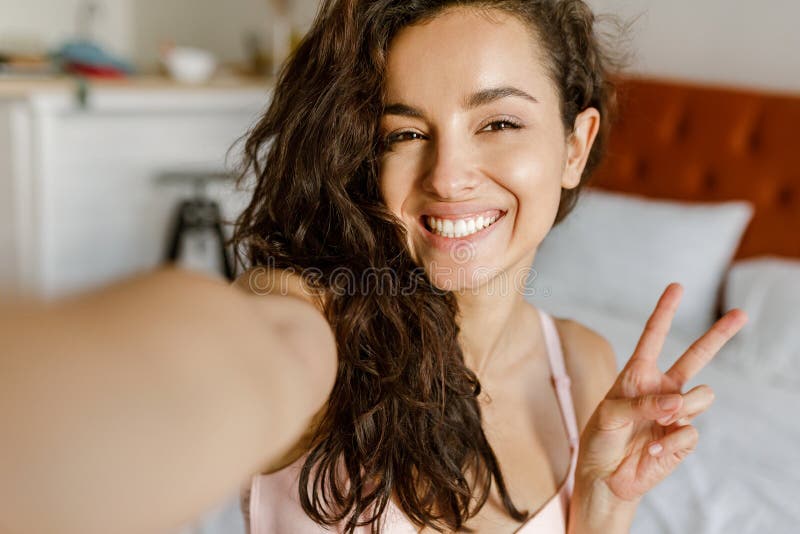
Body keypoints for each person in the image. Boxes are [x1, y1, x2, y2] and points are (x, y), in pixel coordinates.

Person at [0, 1, 748, 533]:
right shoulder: (315, 317)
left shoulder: (584, 366)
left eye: (498, 122)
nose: (449, 174)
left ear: (575, 145)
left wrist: (605, 503)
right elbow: (217, 359)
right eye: (404, 132)